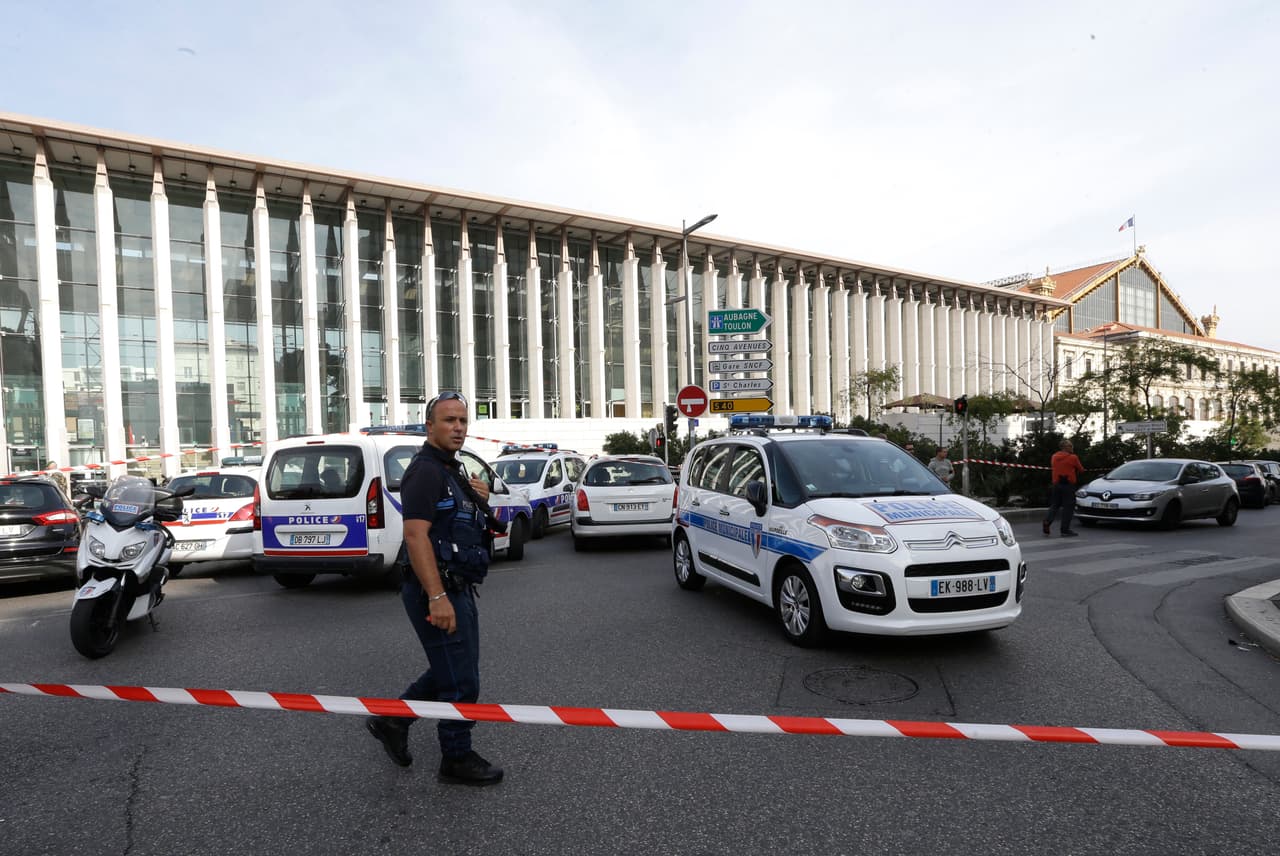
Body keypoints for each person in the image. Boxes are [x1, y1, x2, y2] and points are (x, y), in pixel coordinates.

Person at [365, 391, 504, 786]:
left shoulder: (450, 469)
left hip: (456, 586)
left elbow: (459, 524)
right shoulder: (425, 470)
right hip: (436, 590)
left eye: (462, 420)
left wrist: (479, 500)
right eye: (449, 420)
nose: (458, 427)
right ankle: (455, 757)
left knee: (452, 671)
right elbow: (415, 536)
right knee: (462, 681)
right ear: (429, 426)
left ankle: (393, 720)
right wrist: (438, 597)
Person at [1043, 439, 1085, 537]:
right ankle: (1065, 530)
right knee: (1068, 507)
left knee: (1055, 505)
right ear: (1065, 447)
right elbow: (1081, 469)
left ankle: (1047, 521)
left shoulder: (1054, 457)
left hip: (1056, 485)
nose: (1072, 447)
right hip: (1068, 485)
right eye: (1070, 446)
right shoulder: (1073, 457)